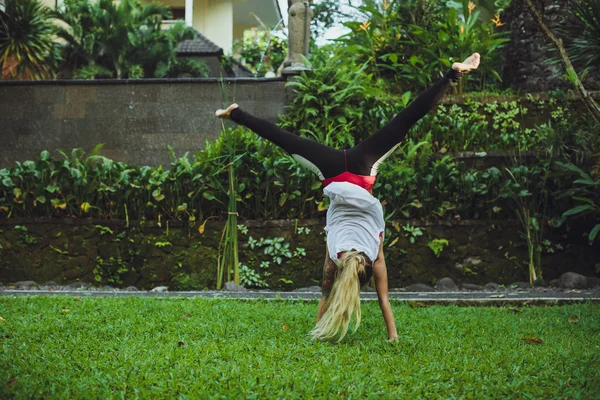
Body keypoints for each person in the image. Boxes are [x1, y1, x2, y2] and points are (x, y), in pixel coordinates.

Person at [216, 53, 481, 341]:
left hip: (361, 167)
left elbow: (383, 302)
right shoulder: (334, 257)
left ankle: (453, 74)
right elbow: (325, 297)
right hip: (332, 172)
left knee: (405, 120)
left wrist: (393, 337)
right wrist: (319, 330)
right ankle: (236, 113)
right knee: (285, 140)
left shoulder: (375, 253)